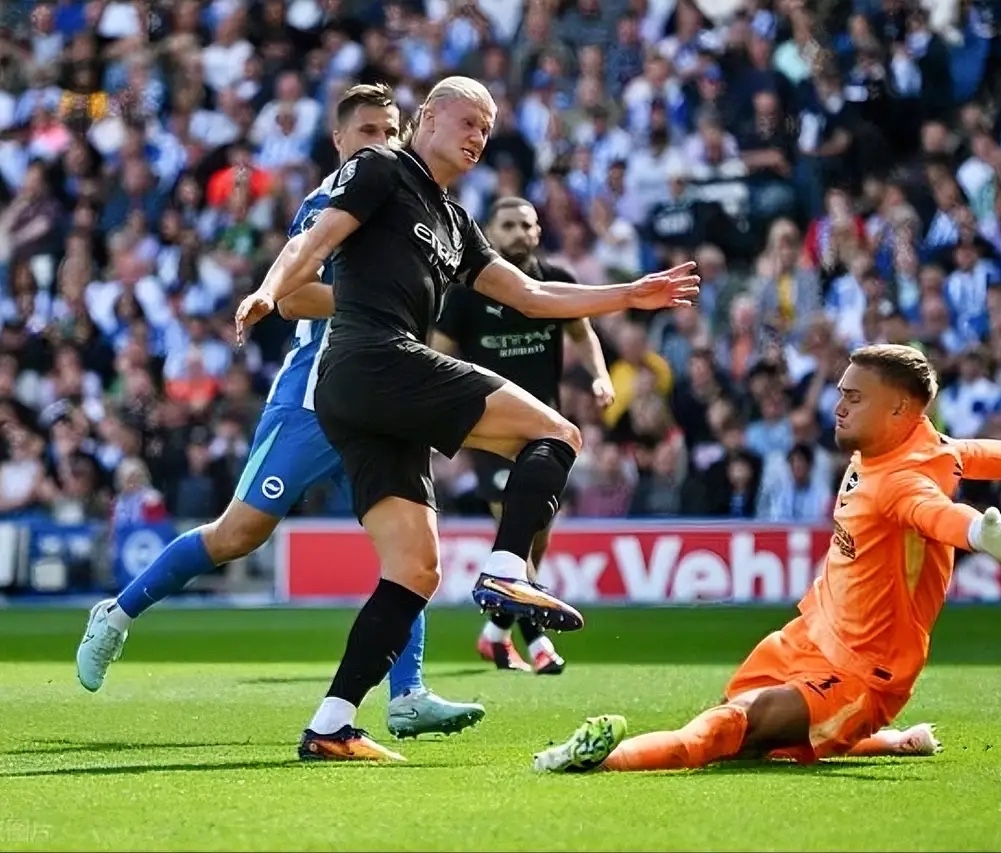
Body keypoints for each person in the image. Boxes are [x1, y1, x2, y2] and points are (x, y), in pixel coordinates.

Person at [235, 76, 699, 762]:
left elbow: (534, 294)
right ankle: (509, 567)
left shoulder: (456, 223)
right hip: (373, 358)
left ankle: (330, 724)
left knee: (414, 570)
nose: (480, 135)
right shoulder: (382, 166)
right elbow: (317, 239)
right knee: (557, 433)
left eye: (488, 127)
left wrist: (628, 294)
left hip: (366, 394)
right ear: (425, 118)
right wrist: (270, 290)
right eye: (469, 120)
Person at [75, 84, 485, 741]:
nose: (380, 139)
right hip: (313, 400)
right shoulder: (332, 198)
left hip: (379, 398)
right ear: (340, 141)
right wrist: (378, 302)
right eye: (367, 131)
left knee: (406, 547)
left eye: (389, 128)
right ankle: (118, 612)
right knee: (238, 533)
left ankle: (407, 693)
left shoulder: (411, 203)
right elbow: (292, 298)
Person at [531, 344, 1001, 773]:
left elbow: (932, 512)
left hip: (862, 674)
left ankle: (595, 759)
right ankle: (888, 744)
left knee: (729, 729)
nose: (837, 406)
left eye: (853, 397)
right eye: (840, 392)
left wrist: (977, 533)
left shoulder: (900, 480)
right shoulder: (912, 444)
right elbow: (975, 454)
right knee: (739, 728)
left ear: (897, 408)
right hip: (810, 633)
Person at [432, 196, 615, 676]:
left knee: (534, 538)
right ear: (490, 232)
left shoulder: (556, 281)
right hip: (489, 429)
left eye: (526, 225)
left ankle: (494, 635)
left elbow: (583, 333)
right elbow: (439, 355)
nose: (517, 232)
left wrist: (600, 376)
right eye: (507, 224)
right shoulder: (466, 292)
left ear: (537, 233)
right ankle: (537, 644)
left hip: (545, 430)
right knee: (515, 526)